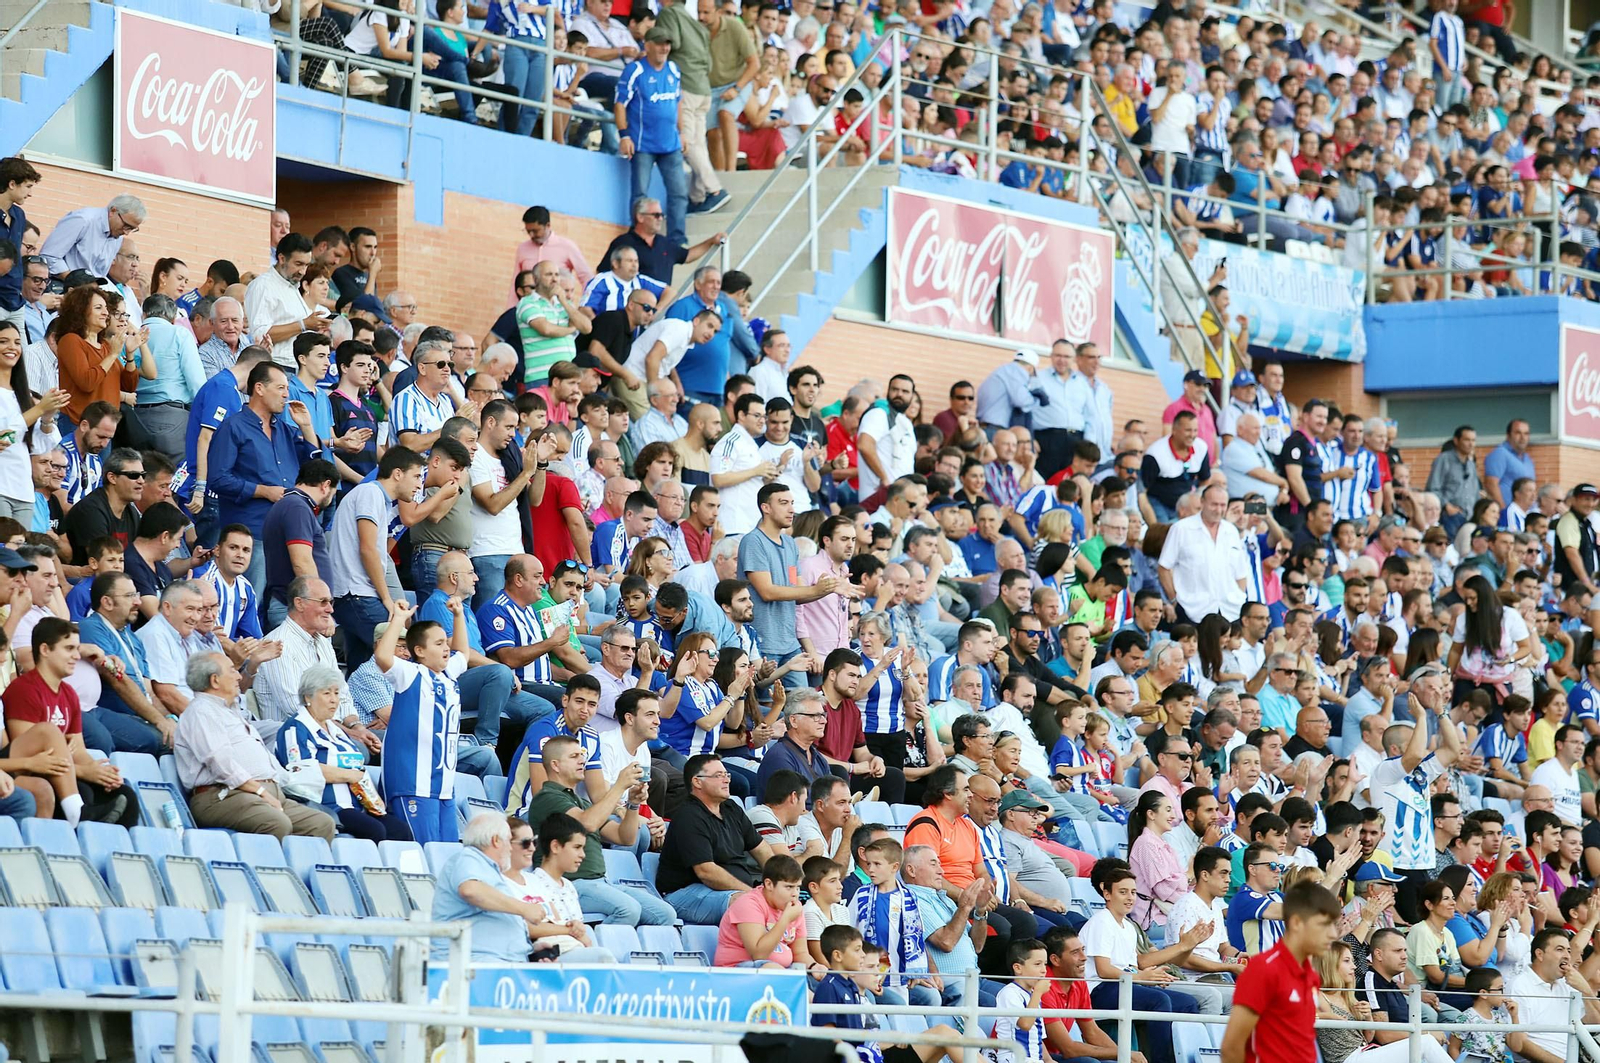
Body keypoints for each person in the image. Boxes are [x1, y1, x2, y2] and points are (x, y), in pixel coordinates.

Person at [174, 651, 336, 841]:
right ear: (215, 681)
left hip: (261, 795)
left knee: (321, 823)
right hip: (223, 796)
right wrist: (260, 791)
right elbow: (220, 763)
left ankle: (298, 871)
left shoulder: (230, 711)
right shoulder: (201, 711)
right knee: (276, 822)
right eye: (232, 671)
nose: (238, 676)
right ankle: (268, 871)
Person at [522, 730, 675, 926]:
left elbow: (624, 838)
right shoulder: (547, 796)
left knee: (665, 914)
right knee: (628, 909)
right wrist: (619, 786)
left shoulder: (582, 804)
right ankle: (593, 948)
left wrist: (633, 804)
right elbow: (587, 823)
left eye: (582, 755)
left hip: (601, 881)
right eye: (574, 756)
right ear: (555, 765)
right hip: (569, 883)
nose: (582, 761)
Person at [373, 599, 468, 844]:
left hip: (444, 786)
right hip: (412, 783)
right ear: (419, 651)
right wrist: (398, 619)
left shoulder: (447, 675)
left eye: (445, 642)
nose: (447, 648)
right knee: (423, 852)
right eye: (438, 644)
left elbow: (464, 655)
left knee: (446, 854)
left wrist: (458, 616)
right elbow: (383, 656)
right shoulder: (410, 673)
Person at [274, 664, 404, 841]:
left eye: (336, 693)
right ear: (307, 697)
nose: (334, 700)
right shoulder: (296, 729)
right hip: (327, 807)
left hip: (361, 804)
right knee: (375, 831)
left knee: (401, 831)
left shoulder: (336, 730)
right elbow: (301, 770)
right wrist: (349, 775)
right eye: (326, 693)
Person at [1220, 881, 1343, 1063]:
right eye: (1324, 924)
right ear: (1296, 923)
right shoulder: (1264, 969)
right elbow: (1231, 1048)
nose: (1333, 934)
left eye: (1334, 925)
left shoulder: (1309, 973)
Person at [656, 752, 781, 923]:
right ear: (697, 781)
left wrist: (779, 884)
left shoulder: (731, 808)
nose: (727, 779)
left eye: (726, 774)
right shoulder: (689, 816)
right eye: (718, 775)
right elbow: (706, 872)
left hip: (729, 891)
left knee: (785, 902)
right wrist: (752, 893)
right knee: (748, 904)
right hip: (685, 893)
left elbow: (761, 849)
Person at [430, 812, 548, 962]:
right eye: (509, 841)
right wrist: (524, 908)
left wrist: (530, 951)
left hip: (500, 961)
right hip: (472, 963)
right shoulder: (468, 857)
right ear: (496, 841)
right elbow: (470, 890)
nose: (511, 849)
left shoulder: (488, 869)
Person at [1507, 928, 1600, 1063]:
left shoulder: (1566, 984)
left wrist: (1586, 990)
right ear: (1540, 954)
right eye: (1560, 949)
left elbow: (1596, 1022)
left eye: (1568, 950)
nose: (1568, 956)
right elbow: (1520, 1044)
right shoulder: (1519, 985)